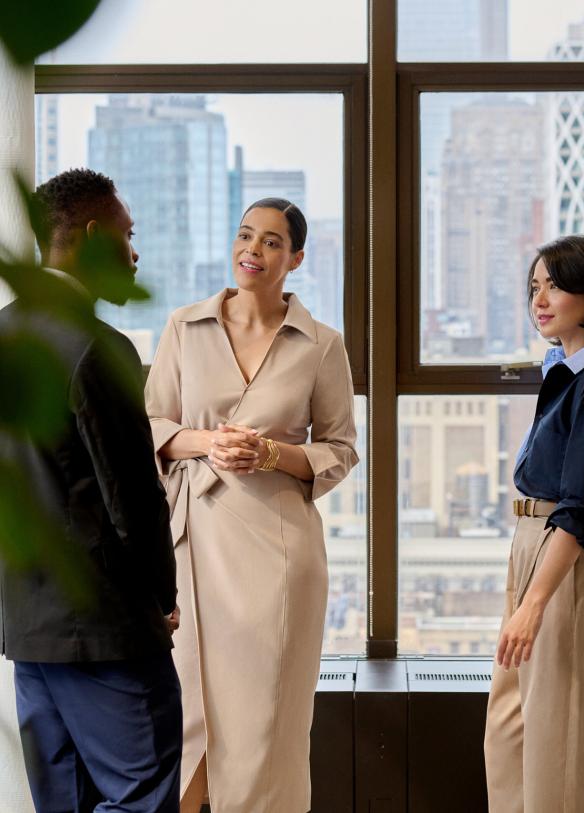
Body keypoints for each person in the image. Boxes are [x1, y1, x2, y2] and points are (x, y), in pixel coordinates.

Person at [145, 197, 358, 813]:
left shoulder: (321, 344)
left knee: (266, 724)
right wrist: (209, 442)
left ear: (294, 258)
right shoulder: (185, 326)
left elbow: (340, 450)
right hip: (191, 546)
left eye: (270, 242)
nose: (253, 251)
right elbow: (152, 424)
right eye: (245, 236)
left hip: (278, 552)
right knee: (184, 712)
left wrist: (270, 455)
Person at [0, 169, 183, 812]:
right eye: (127, 235)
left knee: (62, 804)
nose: (135, 253)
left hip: (29, 627)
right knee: (141, 797)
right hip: (106, 627)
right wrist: (162, 596)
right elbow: (132, 498)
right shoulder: (96, 348)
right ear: (91, 234)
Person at [484, 234, 584, 812]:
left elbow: (581, 507)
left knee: (558, 732)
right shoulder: (566, 367)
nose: (541, 299)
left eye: (555, 284)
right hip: (530, 541)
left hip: (563, 553)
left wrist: (533, 603)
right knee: (511, 725)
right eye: (534, 287)